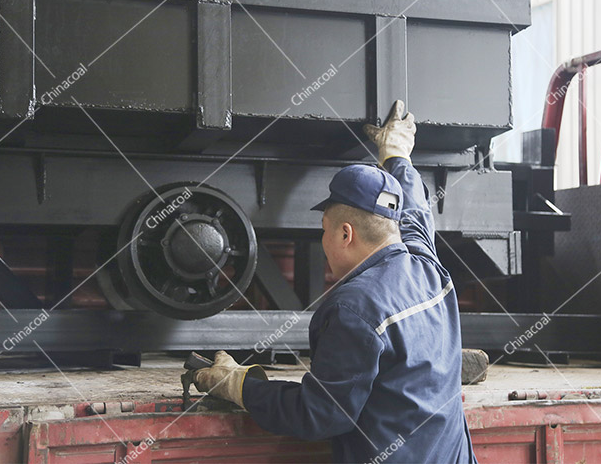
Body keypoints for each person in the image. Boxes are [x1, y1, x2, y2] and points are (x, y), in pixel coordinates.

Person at [193, 100, 477, 463]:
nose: (322, 241)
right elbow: (416, 213)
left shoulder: (354, 308)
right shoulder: (428, 266)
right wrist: (397, 155)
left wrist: (238, 385)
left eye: (323, 230)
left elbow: (320, 414)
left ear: (345, 234)